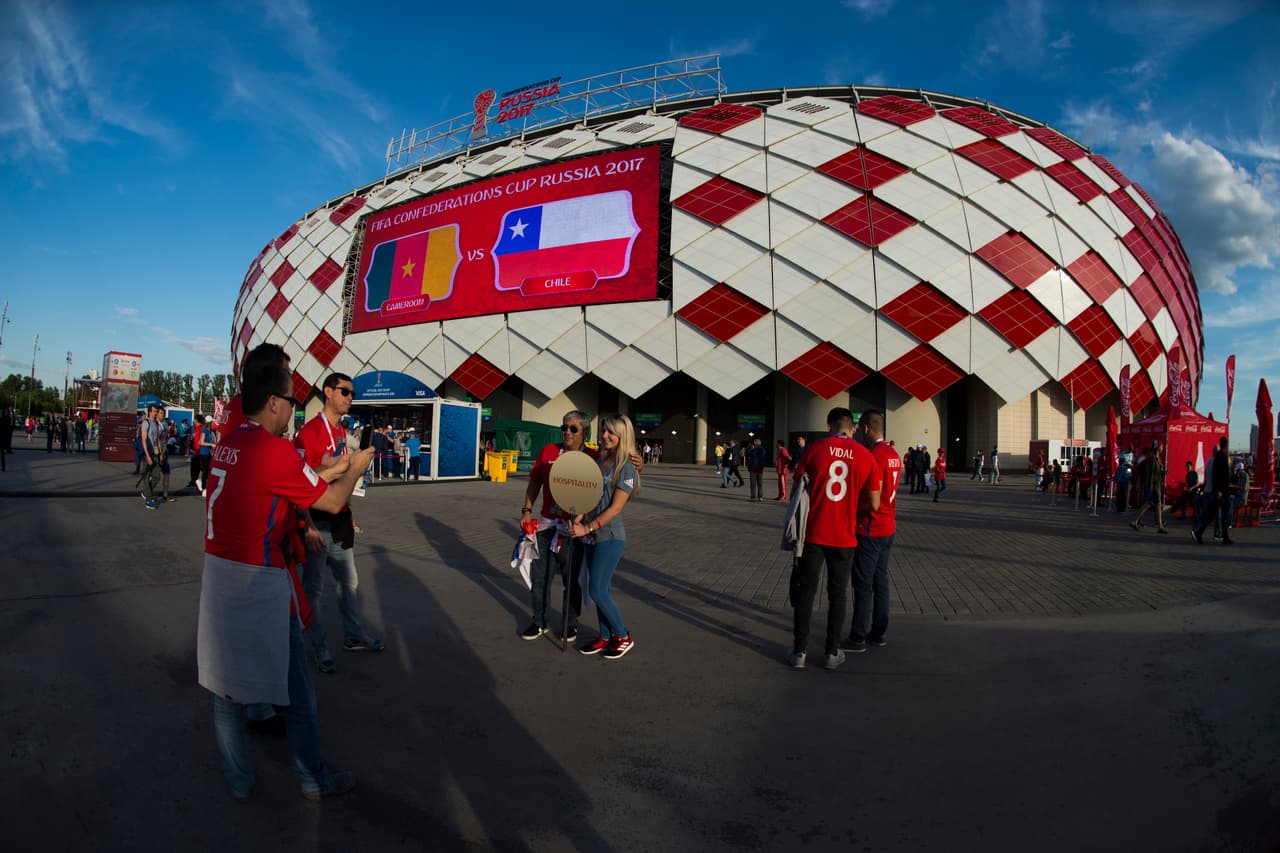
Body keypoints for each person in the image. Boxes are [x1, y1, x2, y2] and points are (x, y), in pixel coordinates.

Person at [197, 347, 374, 802]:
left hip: (218, 576)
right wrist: (354, 469)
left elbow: (287, 482)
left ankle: (239, 782)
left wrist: (330, 469)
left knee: (224, 693)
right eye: (292, 399)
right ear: (274, 402)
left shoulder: (228, 443)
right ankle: (313, 778)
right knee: (298, 690)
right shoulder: (274, 450)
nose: (295, 408)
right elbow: (331, 503)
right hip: (260, 581)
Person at [295, 372, 385, 674]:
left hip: (340, 521)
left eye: (352, 393)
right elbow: (299, 483)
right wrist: (306, 525)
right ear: (328, 392)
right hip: (317, 523)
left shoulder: (342, 432)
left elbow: (342, 479)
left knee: (349, 583)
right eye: (345, 391)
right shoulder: (308, 433)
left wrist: (347, 505)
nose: (350, 397)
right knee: (314, 591)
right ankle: (319, 648)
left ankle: (353, 635)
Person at [787, 407, 877, 671]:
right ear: (854, 428)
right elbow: (873, 501)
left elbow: (796, 490)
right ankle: (831, 652)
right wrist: (851, 508)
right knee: (837, 595)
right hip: (845, 536)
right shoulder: (865, 456)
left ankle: (799, 652)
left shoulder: (816, 449)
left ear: (829, 426)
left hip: (814, 533)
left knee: (806, 593)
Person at [569, 413, 641, 660]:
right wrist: (579, 517)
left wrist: (586, 528)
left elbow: (615, 508)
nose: (605, 436)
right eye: (604, 431)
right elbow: (591, 498)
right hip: (590, 536)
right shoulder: (601, 463)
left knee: (598, 590)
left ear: (623, 436)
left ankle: (622, 635)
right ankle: (605, 635)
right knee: (601, 589)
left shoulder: (626, 467)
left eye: (611, 432)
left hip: (609, 537)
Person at [844, 410, 898, 652]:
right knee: (881, 580)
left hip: (870, 526)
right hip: (889, 525)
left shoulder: (874, 456)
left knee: (863, 584)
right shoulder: (893, 453)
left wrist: (853, 510)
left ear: (865, 428)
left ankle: (858, 636)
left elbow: (871, 496)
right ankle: (879, 631)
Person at [1193, 437, 1233, 545]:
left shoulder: (1213, 460)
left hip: (1214, 490)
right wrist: (1220, 490)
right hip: (1219, 491)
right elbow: (1220, 475)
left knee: (1212, 514)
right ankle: (1220, 535)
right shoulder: (1222, 457)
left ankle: (1202, 532)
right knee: (1221, 513)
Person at [1130, 442, 1168, 534]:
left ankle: (1159, 525)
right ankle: (1136, 521)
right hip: (1153, 486)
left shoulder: (1157, 459)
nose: (1162, 448)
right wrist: (1150, 487)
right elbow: (1150, 474)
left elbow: (1156, 473)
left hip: (1156, 485)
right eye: (1161, 446)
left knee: (1155, 505)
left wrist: (1163, 472)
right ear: (1158, 448)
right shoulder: (1152, 460)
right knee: (1149, 504)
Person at [140, 404, 173, 509]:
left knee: (157, 476)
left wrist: (161, 454)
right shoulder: (146, 423)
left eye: (156, 411)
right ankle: (149, 500)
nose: (155, 413)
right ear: (150, 412)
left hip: (155, 453)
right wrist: (147, 456)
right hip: (147, 453)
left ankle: (146, 492)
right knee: (146, 476)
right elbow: (144, 440)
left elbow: (158, 439)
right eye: (154, 411)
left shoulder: (156, 424)